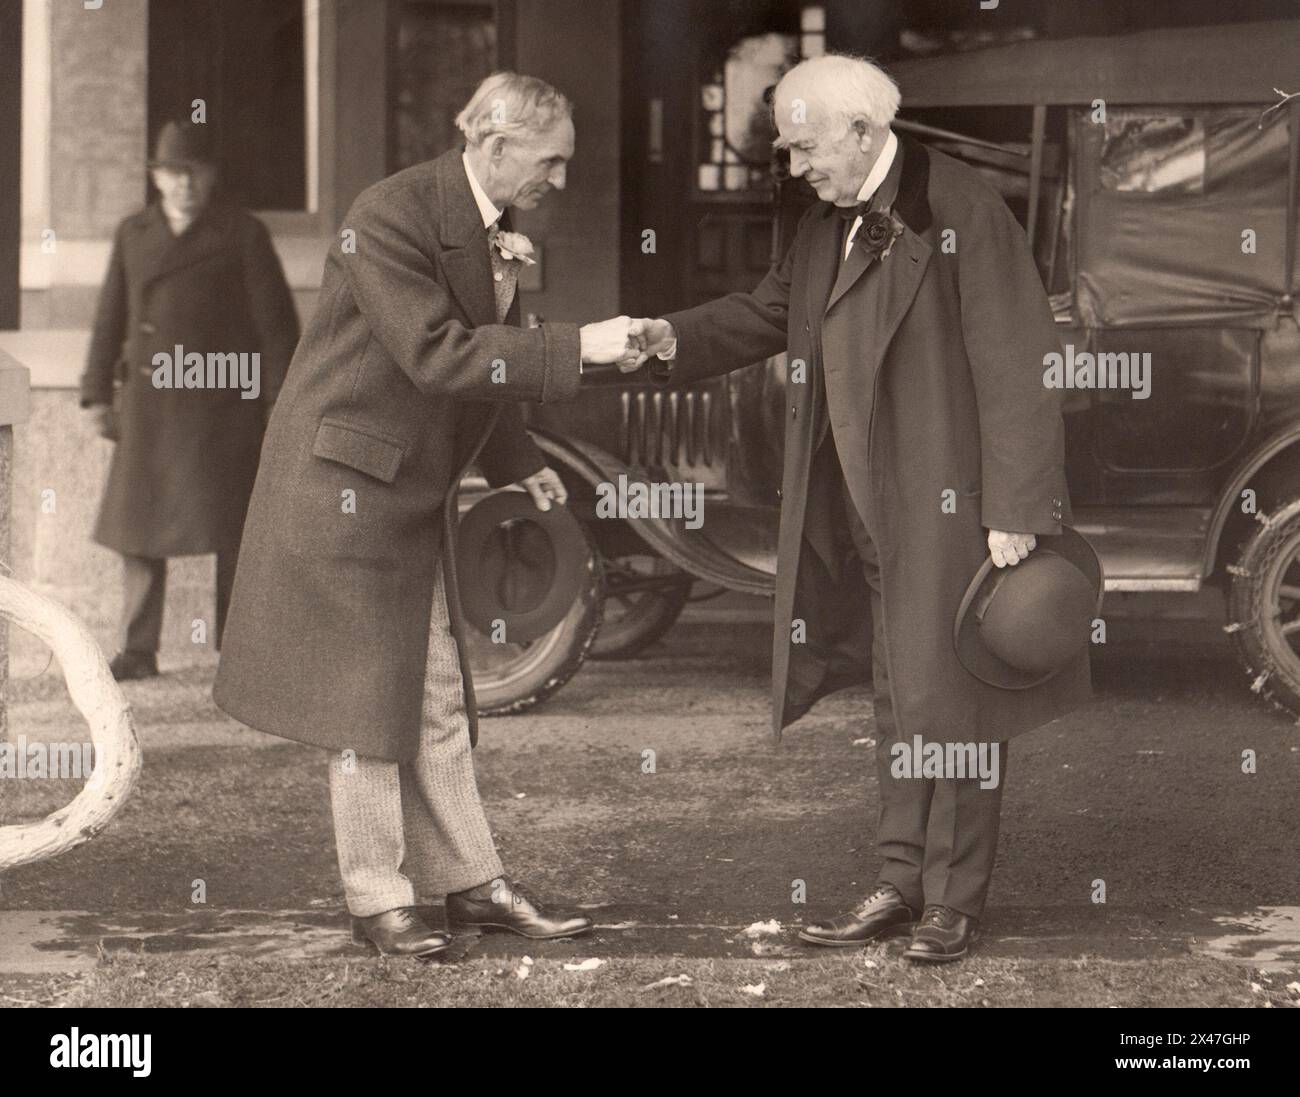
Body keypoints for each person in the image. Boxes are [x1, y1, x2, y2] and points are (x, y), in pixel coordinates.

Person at [624, 54, 1090, 962]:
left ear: (864, 134)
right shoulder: (821, 220)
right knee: (897, 692)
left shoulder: (958, 210)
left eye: (804, 148)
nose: (794, 167)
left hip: (950, 506)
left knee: (960, 695)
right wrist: (668, 336)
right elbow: (767, 312)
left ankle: (952, 899)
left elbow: (1021, 364)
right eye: (792, 151)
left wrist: (1017, 507)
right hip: (860, 507)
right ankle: (900, 877)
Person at [213, 73, 636, 957]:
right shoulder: (393, 213)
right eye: (550, 161)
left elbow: (475, 374)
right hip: (345, 487)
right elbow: (438, 356)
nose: (559, 179)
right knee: (365, 703)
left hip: (399, 489)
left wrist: (519, 461)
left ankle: (469, 883)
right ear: (495, 144)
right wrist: (581, 345)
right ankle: (377, 901)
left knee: (438, 690)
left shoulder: (492, 227)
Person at [80, 119, 299, 681]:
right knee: (139, 528)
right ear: (156, 178)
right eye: (173, 174)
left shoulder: (243, 234)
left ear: (212, 176)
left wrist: (280, 406)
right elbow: (111, 317)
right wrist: (95, 393)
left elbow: (277, 329)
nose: (184, 186)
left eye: (195, 173)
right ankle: (137, 648)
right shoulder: (133, 233)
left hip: (224, 403)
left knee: (235, 529)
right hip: (150, 406)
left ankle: (238, 646)